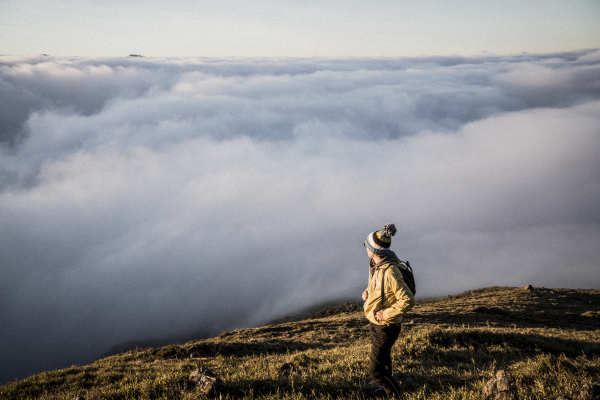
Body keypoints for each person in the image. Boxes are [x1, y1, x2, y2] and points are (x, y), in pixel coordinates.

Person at [362, 223, 415, 398]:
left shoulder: (391, 270)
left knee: (375, 369)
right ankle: (386, 390)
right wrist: (368, 293)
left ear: (374, 250)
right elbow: (380, 288)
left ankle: (395, 394)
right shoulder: (377, 264)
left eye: (367, 245)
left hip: (387, 325)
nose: (365, 247)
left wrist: (386, 314)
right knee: (384, 361)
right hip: (376, 323)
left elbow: (407, 300)